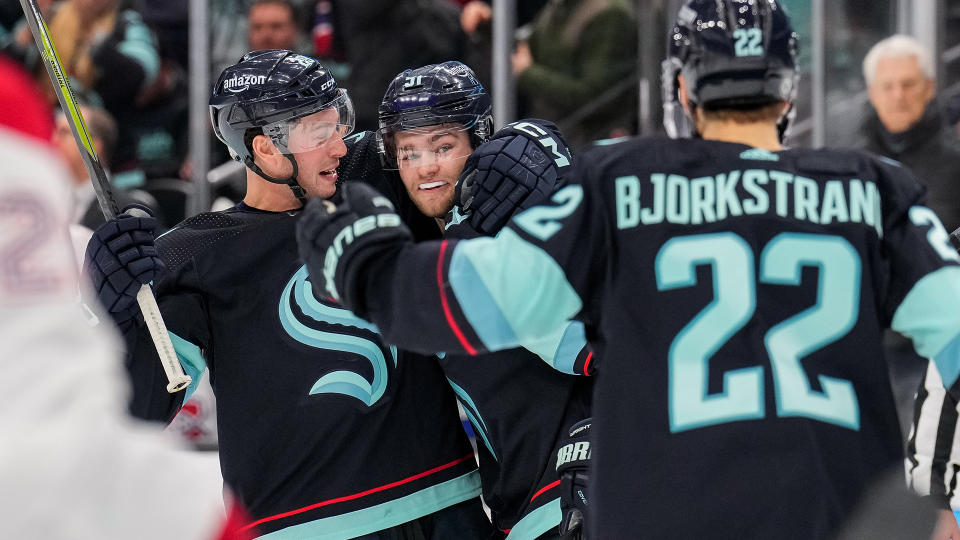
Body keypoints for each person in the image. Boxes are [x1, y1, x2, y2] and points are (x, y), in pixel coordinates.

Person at [295, 1, 960, 538]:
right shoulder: (870, 188)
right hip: (838, 513)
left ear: (680, 87)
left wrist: (366, 263)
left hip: (666, 508)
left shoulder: (621, 184)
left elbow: (476, 300)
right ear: (790, 90)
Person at [82, 49, 489, 539]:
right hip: (303, 527)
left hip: (446, 507)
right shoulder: (194, 256)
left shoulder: (381, 179)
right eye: (319, 134)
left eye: (338, 123)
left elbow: (475, 159)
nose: (339, 145)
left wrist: (528, 146)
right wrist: (115, 316)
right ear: (267, 150)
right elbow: (136, 413)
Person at [0, 52, 253, 540]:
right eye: (50, 132)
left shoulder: (91, 240)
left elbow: (96, 388)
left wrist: (118, 319)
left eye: (67, 132)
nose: (59, 139)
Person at [374, 61, 593, 538]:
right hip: (525, 507)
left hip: (571, 499)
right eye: (408, 152)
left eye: (443, 146)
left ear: (480, 140)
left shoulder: (494, 240)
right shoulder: (445, 247)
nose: (425, 166)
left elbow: (600, 348)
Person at [860, 34, 960, 232]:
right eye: (887, 86)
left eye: (908, 84)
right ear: (872, 93)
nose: (898, 96)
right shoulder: (850, 165)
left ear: (929, 87)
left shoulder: (957, 161)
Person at [512, 0, 637, 151]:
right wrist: (489, 25)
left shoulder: (610, 14)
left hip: (587, 144)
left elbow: (596, 97)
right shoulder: (559, 6)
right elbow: (528, 49)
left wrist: (528, 74)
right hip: (551, 137)